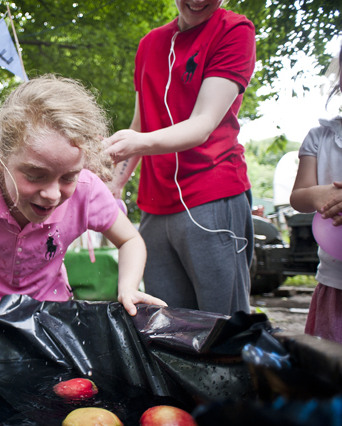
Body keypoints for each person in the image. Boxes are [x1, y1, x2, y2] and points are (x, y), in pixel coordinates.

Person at [0, 75, 166, 316]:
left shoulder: (87, 190)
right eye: (35, 175)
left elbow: (130, 239)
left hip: (52, 313)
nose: (51, 194)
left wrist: (128, 287)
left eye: (68, 177)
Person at [103, 0, 256, 315]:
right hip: (154, 206)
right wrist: (113, 184)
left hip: (212, 196)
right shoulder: (149, 44)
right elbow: (139, 123)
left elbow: (202, 124)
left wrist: (136, 143)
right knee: (167, 323)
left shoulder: (234, 30)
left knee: (222, 324)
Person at [290, 28, 342, 345]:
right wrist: (321, 195)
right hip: (336, 284)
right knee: (331, 376)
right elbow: (299, 197)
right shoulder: (320, 137)